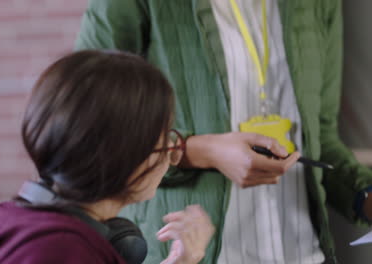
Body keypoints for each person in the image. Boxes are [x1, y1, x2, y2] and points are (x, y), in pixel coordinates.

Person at [75, 0, 372, 263]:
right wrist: (202, 151)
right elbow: (92, 130)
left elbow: (321, 139)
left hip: (302, 253)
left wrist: (366, 197)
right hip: (186, 257)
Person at [0, 50, 215, 264]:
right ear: (124, 154)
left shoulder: (13, 219)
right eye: (165, 138)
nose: (171, 153)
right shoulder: (65, 250)